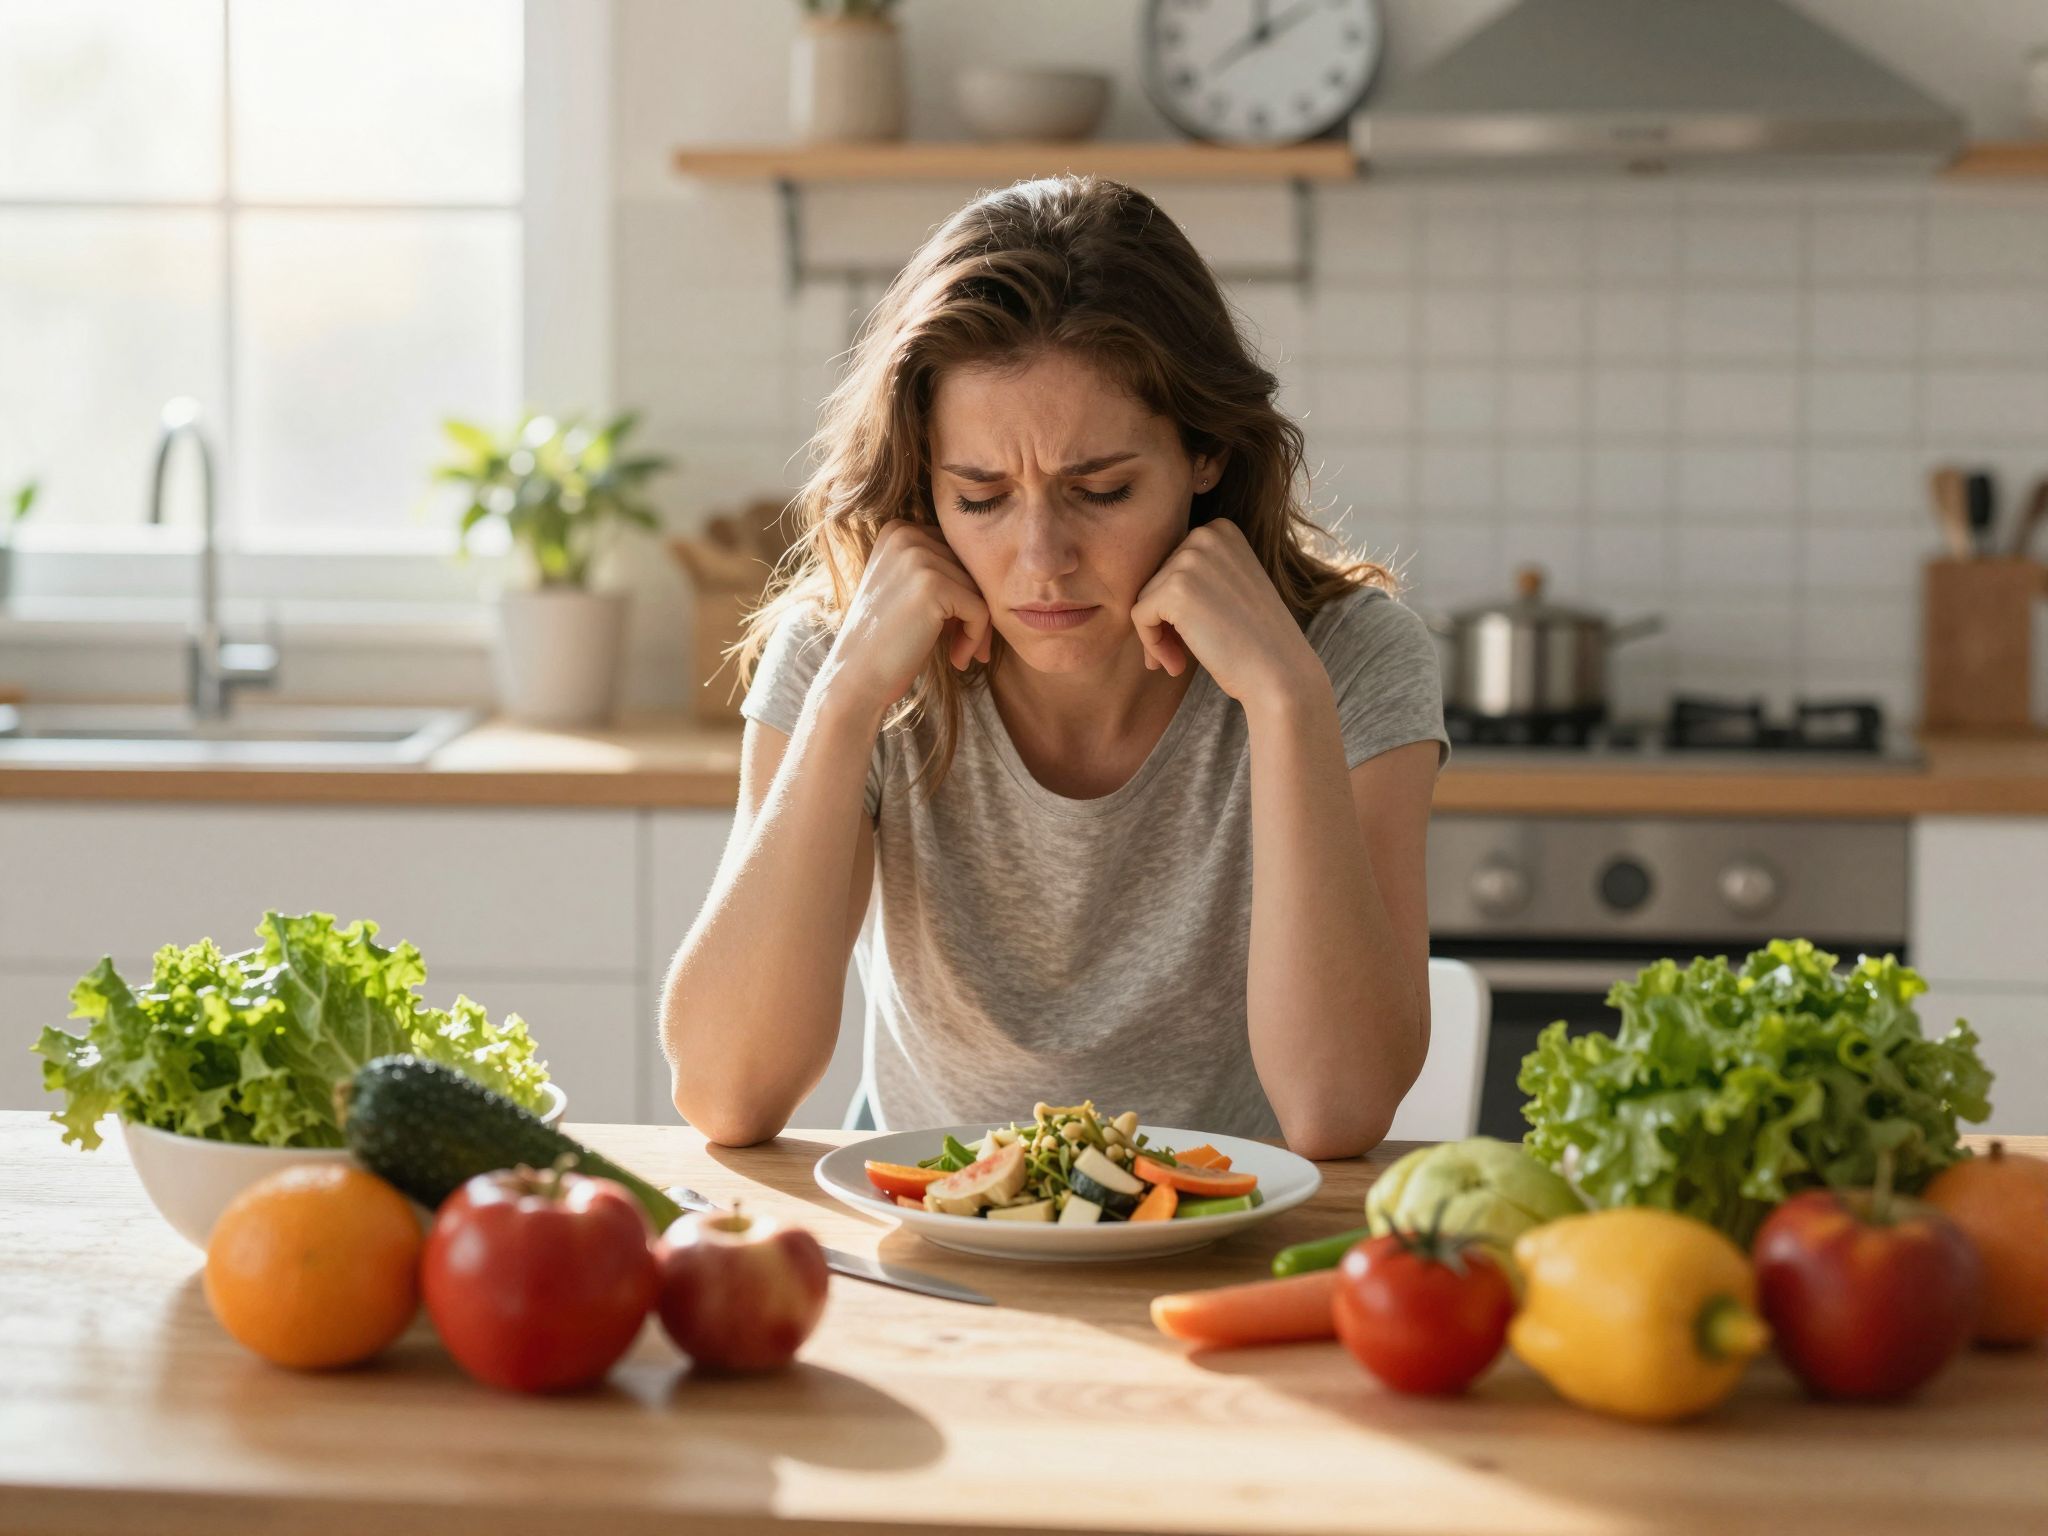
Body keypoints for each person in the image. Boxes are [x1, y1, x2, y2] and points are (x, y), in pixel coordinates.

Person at [660, 174, 1446, 1160]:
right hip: (933, 1232)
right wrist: (846, 695)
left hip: (1230, 1237)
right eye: (981, 496)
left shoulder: (1347, 658)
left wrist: (1285, 703)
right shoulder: (841, 652)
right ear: (921, 483)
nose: (1041, 560)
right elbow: (726, 1095)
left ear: (1204, 455)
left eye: (1102, 489)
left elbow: (1336, 1110)